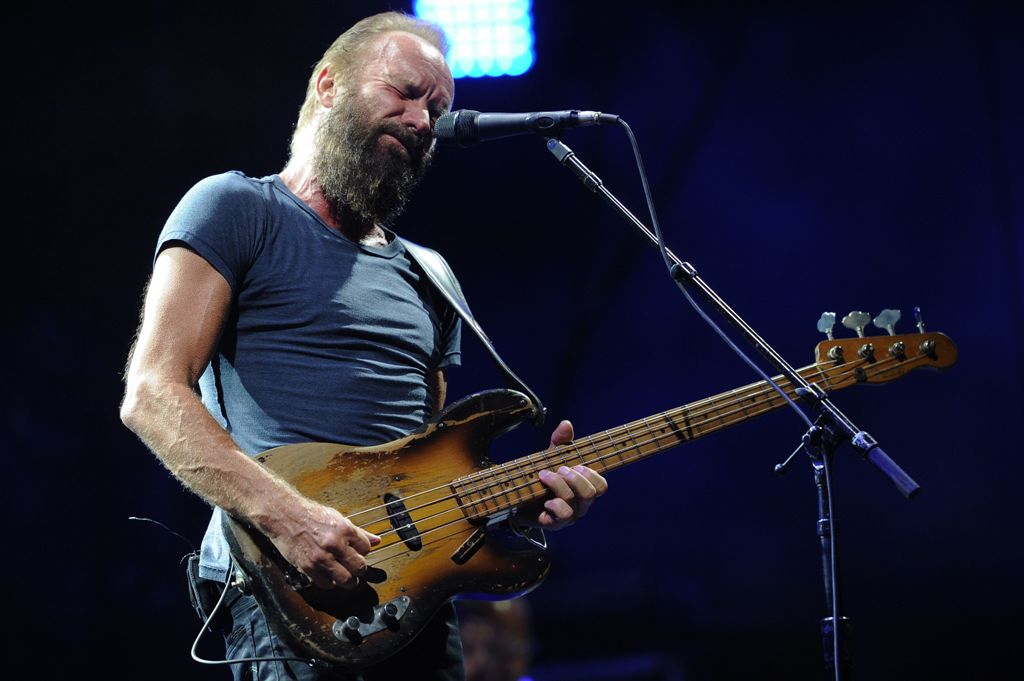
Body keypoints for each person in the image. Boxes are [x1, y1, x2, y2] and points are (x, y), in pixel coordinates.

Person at [120, 11, 608, 681]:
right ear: (328, 85)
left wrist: (523, 504)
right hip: (288, 594)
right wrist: (287, 517)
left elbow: (424, 471)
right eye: (404, 91)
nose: (421, 119)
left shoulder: (432, 276)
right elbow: (152, 393)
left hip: (415, 615)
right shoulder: (235, 208)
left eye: (436, 108)